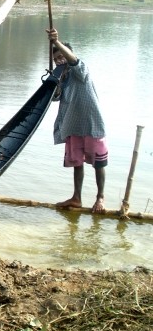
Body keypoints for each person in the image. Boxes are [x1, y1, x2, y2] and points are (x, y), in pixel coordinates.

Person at [46, 28, 108, 213]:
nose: (60, 61)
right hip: (72, 126)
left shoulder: (80, 70)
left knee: (99, 163)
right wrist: (54, 80)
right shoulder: (61, 77)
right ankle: (76, 198)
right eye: (56, 58)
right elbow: (54, 97)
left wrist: (57, 43)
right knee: (77, 163)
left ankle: (100, 198)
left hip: (91, 124)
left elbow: (73, 60)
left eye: (61, 57)